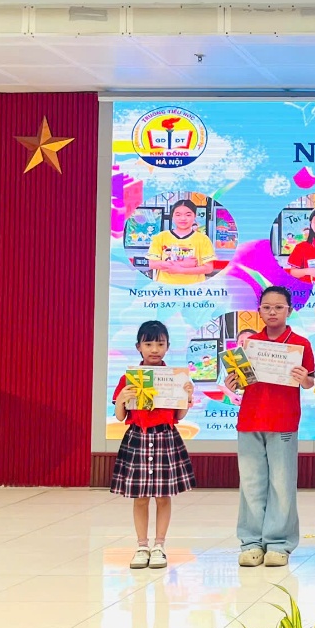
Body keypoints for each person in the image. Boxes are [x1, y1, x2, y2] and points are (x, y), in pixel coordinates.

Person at [235, 286, 315, 569]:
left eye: (278, 307)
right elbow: (240, 381)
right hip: (250, 420)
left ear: (289, 310)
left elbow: (310, 383)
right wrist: (234, 382)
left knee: (282, 484)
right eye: (267, 307)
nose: (272, 312)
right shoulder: (249, 344)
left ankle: (279, 543)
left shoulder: (300, 345)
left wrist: (305, 379)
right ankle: (251, 542)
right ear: (259, 310)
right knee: (251, 484)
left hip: (283, 422)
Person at [112, 321, 195, 570]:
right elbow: (120, 416)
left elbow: (179, 416)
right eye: (148, 344)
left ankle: (159, 545)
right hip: (137, 438)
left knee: (162, 496)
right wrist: (122, 399)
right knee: (140, 497)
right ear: (138, 347)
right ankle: (141, 546)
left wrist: (186, 396)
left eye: (160, 343)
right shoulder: (128, 378)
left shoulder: (176, 378)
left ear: (168, 346)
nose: (155, 349)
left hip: (165, 438)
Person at [146, 201, 215, 285]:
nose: (183, 218)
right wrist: (184, 263)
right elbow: (152, 264)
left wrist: (181, 270)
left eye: (188, 215)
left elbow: (208, 268)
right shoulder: (161, 237)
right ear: (172, 216)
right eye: (178, 215)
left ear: (195, 216)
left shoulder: (203, 239)